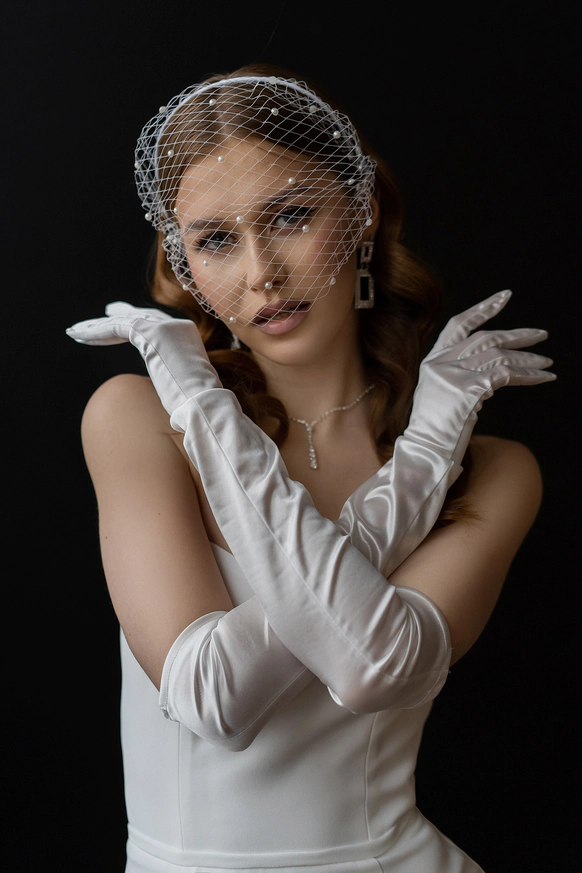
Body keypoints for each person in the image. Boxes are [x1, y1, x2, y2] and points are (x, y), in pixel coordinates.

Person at [67, 65, 556, 873]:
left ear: (362, 212)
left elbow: (371, 665)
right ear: (185, 263)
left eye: (291, 216)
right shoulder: (140, 416)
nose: (261, 271)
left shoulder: (495, 471)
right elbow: (213, 697)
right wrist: (203, 408)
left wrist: (432, 449)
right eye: (215, 239)